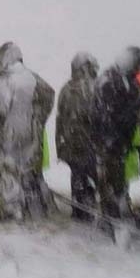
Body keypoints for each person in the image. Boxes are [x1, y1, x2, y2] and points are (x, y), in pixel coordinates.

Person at [0, 42, 55, 218]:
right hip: (32, 140)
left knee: (9, 181)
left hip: (8, 141)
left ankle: (14, 214)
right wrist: (37, 122)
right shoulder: (38, 81)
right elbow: (47, 100)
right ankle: (38, 214)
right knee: (31, 178)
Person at [91, 46, 140, 222]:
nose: (138, 71)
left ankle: (115, 212)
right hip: (108, 140)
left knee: (118, 178)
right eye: (137, 66)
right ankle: (110, 217)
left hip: (122, 140)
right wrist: (110, 139)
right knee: (108, 179)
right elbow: (101, 115)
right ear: (128, 63)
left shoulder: (132, 82)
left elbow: (137, 107)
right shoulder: (107, 81)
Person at [56, 52, 99, 221]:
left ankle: (78, 210)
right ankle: (86, 210)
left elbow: (60, 119)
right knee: (89, 176)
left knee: (77, 176)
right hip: (89, 142)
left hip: (72, 142)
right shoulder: (95, 86)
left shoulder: (66, 88)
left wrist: (59, 144)